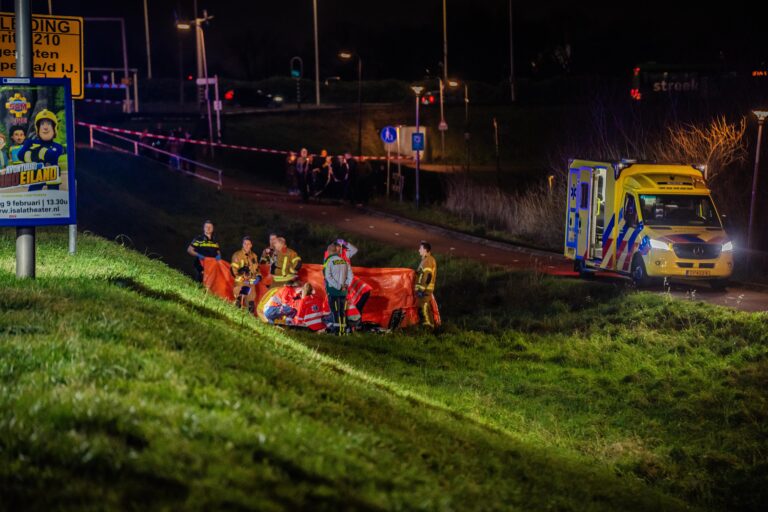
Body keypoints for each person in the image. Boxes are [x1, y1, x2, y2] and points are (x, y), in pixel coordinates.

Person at [324, 238, 372, 326]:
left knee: (349, 305)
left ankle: (353, 323)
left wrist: (346, 243)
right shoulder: (329, 255)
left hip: (347, 282)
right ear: (335, 247)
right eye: (338, 246)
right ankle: (349, 324)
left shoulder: (345, 252)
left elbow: (354, 250)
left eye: (341, 246)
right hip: (341, 282)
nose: (340, 248)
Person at [18, 109, 65, 191]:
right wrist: (28, 148)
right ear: (38, 128)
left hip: (52, 176)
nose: (45, 127)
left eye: (49, 124)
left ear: (54, 128)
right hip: (36, 176)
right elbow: (20, 156)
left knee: (54, 195)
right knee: (33, 195)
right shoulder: (30, 142)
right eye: (42, 124)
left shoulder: (57, 146)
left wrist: (33, 151)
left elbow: (51, 156)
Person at [323, 243, 352, 333]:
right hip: (343, 292)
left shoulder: (329, 261)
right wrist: (345, 285)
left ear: (329, 251)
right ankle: (342, 331)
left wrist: (338, 286)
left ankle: (337, 331)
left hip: (333, 291)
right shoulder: (345, 261)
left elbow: (327, 276)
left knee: (335, 312)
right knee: (342, 311)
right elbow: (350, 276)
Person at [231, 236, 262, 313]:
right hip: (241, 282)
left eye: (248, 244)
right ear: (242, 244)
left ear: (251, 245)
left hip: (251, 283)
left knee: (251, 305)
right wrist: (240, 271)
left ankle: (248, 321)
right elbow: (233, 270)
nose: (246, 246)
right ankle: (235, 315)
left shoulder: (254, 256)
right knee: (238, 301)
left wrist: (258, 276)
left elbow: (257, 269)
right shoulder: (237, 255)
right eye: (245, 244)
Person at [415, 240, 437, 328]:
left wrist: (421, 289)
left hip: (425, 289)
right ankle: (429, 324)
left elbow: (427, 275)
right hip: (425, 288)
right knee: (424, 305)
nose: (418, 250)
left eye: (420, 248)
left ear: (425, 250)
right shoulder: (426, 260)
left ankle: (428, 325)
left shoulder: (427, 261)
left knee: (424, 306)